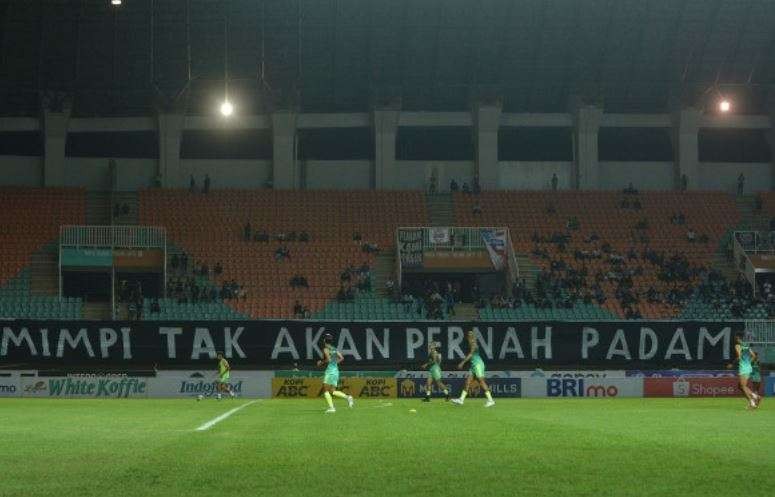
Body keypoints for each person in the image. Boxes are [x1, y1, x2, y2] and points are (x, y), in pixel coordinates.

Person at [450, 330, 495, 407]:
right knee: (467, 382)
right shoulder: (471, 343)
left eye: (471, 334)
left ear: (473, 336)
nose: (469, 335)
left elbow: (471, 354)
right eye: (468, 334)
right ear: (467, 337)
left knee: (481, 381)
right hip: (473, 365)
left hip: (478, 364)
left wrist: (462, 362)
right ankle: (461, 400)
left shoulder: (473, 343)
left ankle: (490, 400)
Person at [316, 334, 354, 413]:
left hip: (330, 371)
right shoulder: (334, 349)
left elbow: (329, 360)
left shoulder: (326, 349)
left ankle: (332, 408)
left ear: (324, 341)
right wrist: (335, 363)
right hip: (336, 371)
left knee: (325, 390)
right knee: (332, 391)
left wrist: (321, 363)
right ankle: (348, 397)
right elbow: (342, 358)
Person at [733, 333, 760, 409]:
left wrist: (732, 363)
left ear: (738, 338)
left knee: (743, 386)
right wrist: (749, 363)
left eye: (735, 338)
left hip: (743, 368)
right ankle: (753, 399)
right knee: (740, 386)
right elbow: (754, 356)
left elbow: (739, 357)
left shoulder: (737, 346)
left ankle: (754, 400)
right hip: (748, 367)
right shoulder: (747, 346)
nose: (735, 340)